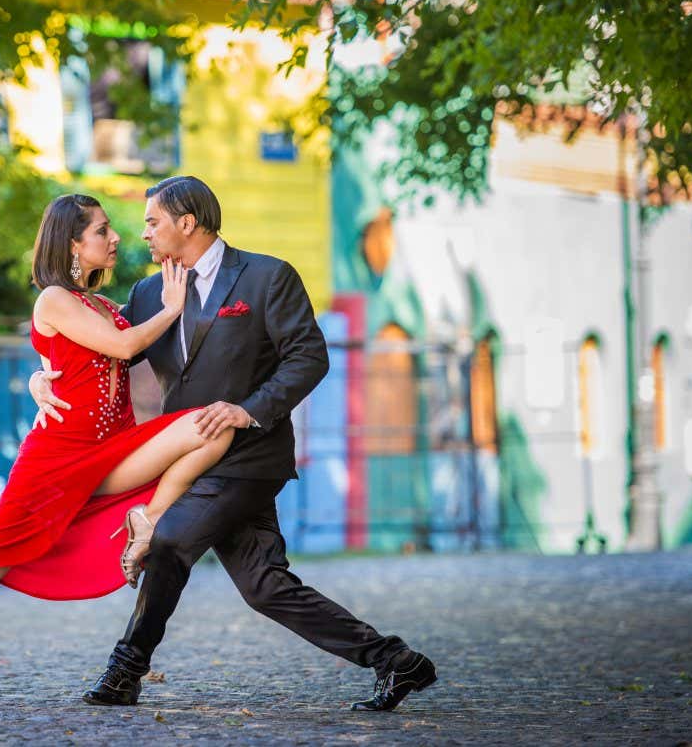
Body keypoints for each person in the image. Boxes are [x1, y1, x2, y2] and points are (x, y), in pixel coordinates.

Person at [31, 175, 436, 712]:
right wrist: (42, 376)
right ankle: (398, 662)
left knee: (170, 539)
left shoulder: (268, 277)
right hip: (190, 459)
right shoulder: (149, 293)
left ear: (187, 222)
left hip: (250, 456)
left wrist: (248, 410)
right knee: (265, 586)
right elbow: (101, 353)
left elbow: (309, 357)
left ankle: (124, 671)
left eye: (153, 222)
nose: (144, 234)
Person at [0, 193, 234, 701]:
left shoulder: (101, 304)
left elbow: (84, 353)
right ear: (73, 244)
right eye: (102, 230)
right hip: (56, 461)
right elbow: (124, 347)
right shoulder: (52, 298)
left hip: (115, 450)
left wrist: (41, 375)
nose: (116, 236)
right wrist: (171, 309)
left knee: (215, 426)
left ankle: (146, 519)